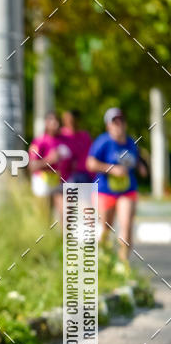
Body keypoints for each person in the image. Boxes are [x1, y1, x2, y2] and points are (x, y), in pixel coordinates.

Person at [86, 107, 148, 261]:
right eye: (115, 121)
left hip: (127, 190)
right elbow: (90, 164)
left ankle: (123, 264)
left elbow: (135, 158)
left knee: (126, 226)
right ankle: (103, 261)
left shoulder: (131, 142)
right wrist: (112, 169)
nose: (119, 124)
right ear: (108, 125)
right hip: (104, 190)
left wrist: (141, 167)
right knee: (105, 228)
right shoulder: (103, 142)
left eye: (121, 120)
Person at [28, 111, 73, 220]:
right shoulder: (39, 142)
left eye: (57, 121)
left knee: (67, 215)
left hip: (59, 181)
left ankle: (63, 231)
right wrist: (49, 160)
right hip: (42, 182)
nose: (56, 124)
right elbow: (31, 166)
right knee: (43, 217)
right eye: (52, 121)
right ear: (46, 123)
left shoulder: (65, 140)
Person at [60, 109, 93, 183]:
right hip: (66, 177)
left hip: (85, 175)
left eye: (73, 120)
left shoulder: (85, 136)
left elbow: (90, 156)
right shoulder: (61, 135)